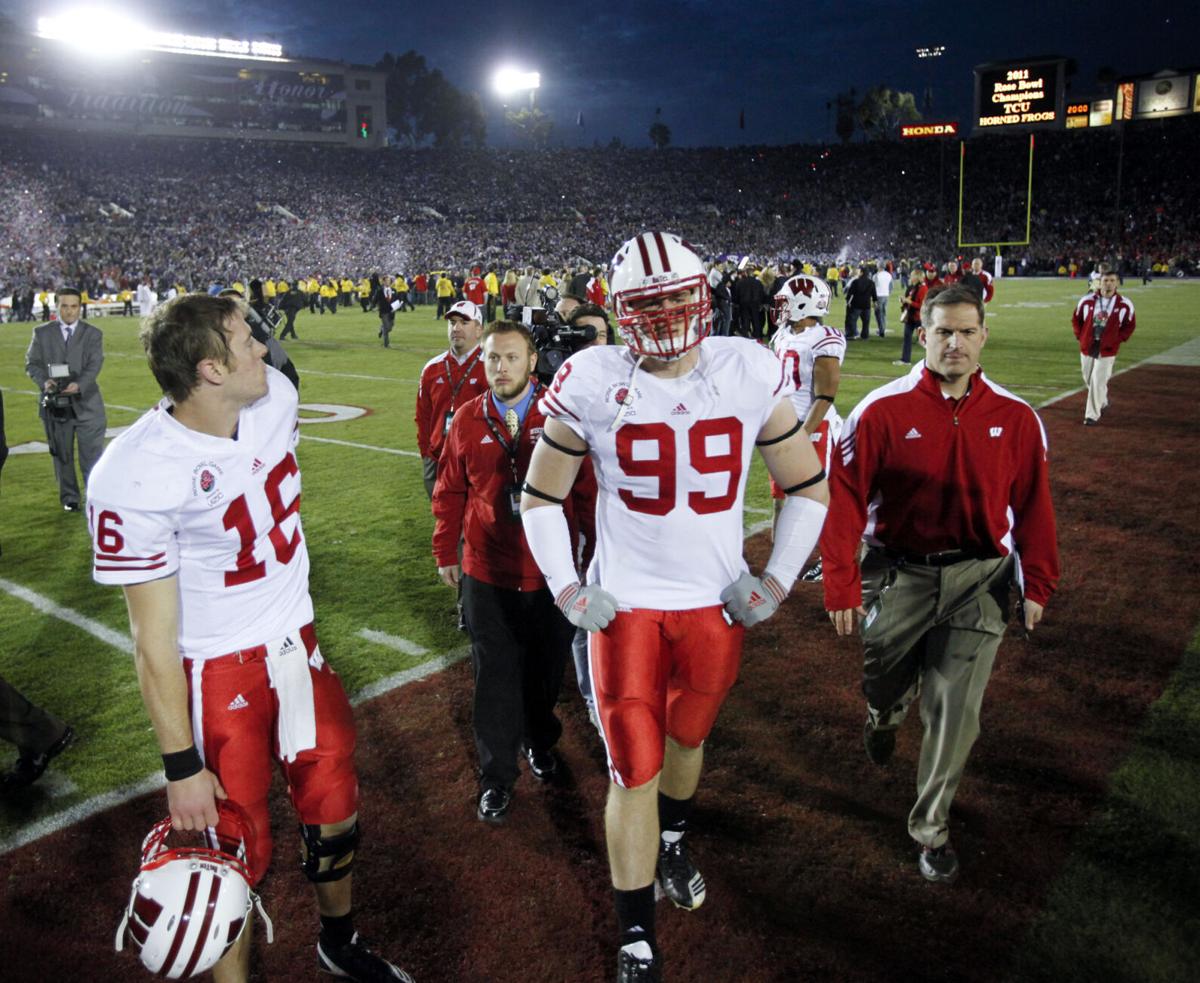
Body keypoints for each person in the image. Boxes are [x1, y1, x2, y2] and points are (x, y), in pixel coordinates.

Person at [521, 232, 829, 983]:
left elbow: (809, 485)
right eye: (644, 307)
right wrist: (568, 585)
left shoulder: (748, 368)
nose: (661, 320)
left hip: (713, 606)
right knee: (633, 769)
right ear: (620, 313)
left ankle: (675, 837)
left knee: (688, 741)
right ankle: (635, 937)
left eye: (674, 301)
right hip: (625, 607)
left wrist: (780, 577)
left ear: (703, 300)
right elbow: (539, 495)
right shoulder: (593, 376)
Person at [87, 293, 412, 983]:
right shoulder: (135, 473)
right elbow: (151, 638)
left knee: (333, 800)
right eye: (244, 342)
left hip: (296, 642)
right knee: (228, 851)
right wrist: (179, 765)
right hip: (215, 670)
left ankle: (338, 939)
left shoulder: (277, 399)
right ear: (209, 369)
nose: (264, 351)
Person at [821, 283, 1060, 885]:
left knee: (955, 707)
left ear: (983, 336)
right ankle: (882, 713)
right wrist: (840, 582)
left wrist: (1038, 584)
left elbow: (1034, 507)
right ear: (922, 335)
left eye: (966, 332)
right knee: (884, 678)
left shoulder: (1016, 417)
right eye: (943, 332)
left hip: (979, 578)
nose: (955, 342)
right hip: (898, 574)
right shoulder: (879, 409)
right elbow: (844, 500)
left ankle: (931, 827)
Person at [432, 321, 578, 823]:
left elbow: (585, 492)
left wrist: (588, 554)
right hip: (487, 569)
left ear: (532, 362)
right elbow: (450, 489)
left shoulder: (561, 416)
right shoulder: (468, 418)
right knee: (493, 675)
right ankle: (496, 776)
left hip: (550, 571)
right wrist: (445, 551)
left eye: (512, 358)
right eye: (493, 358)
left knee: (543, 669)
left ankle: (539, 741)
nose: (500, 367)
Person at [769, 274, 845, 583]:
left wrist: (801, 435)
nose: (781, 308)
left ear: (804, 303)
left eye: (787, 302)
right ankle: (780, 560)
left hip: (812, 429)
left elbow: (825, 395)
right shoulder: (783, 335)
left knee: (817, 500)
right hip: (785, 428)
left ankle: (830, 561)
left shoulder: (824, 337)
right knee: (780, 498)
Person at [24, 286, 108, 512]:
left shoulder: (93, 334)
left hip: (88, 405)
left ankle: (96, 498)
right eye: (64, 306)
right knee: (62, 455)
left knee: (92, 456)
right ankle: (70, 498)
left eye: (74, 306)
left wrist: (79, 385)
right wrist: (45, 382)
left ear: (79, 307)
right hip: (56, 407)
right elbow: (32, 364)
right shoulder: (41, 333)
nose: (69, 311)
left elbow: (94, 365)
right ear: (57, 306)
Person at [414, 300, 487, 500]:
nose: (456, 328)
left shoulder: (492, 366)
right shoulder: (432, 367)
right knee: (445, 521)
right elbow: (423, 416)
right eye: (452, 322)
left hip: (478, 459)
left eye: (464, 323)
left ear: (479, 330)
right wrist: (427, 454)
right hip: (438, 457)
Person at [1072, 266, 1135, 426]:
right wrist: (1081, 336)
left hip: (1107, 349)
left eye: (1112, 281)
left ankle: (1092, 415)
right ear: (1099, 283)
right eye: (1105, 280)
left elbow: (1129, 325)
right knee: (1087, 377)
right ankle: (1103, 400)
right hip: (1088, 345)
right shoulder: (1086, 300)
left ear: (1117, 284)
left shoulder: (1125, 304)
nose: (1108, 284)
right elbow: (1076, 319)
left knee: (1098, 380)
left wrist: (1117, 339)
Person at [894, 267, 927, 366]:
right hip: (910, 316)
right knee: (907, 337)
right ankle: (905, 359)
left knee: (925, 340)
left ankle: (932, 361)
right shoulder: (912, 287)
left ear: (917, 277)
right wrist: (904, 300)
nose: (910, 277)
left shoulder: (923, 288)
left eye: (912, 275)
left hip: (919, 317)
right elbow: (909, 299)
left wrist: (910, 302)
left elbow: (921, 306)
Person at [843, 266, 876, 341]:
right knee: (866, 322)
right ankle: (865, 336)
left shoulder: (855, 282)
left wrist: (848, 301)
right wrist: (875, 302)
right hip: (867, 305)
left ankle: (852, 334)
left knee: (852, 320)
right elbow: (874, 294)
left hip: (856, 304)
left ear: (861, 273)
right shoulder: (871, 282)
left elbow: (850, 293)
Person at [871, 263, 894, 338]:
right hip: (885, 296)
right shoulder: (888, 275)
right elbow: (891, 286)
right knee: (883, 313)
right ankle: (882, 329)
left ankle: (881, 331)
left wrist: (873, 298)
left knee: (878, 314)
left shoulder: (876, 275)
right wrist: (888, 293)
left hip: (878, 296)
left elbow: (873, 287)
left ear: (878, 267)